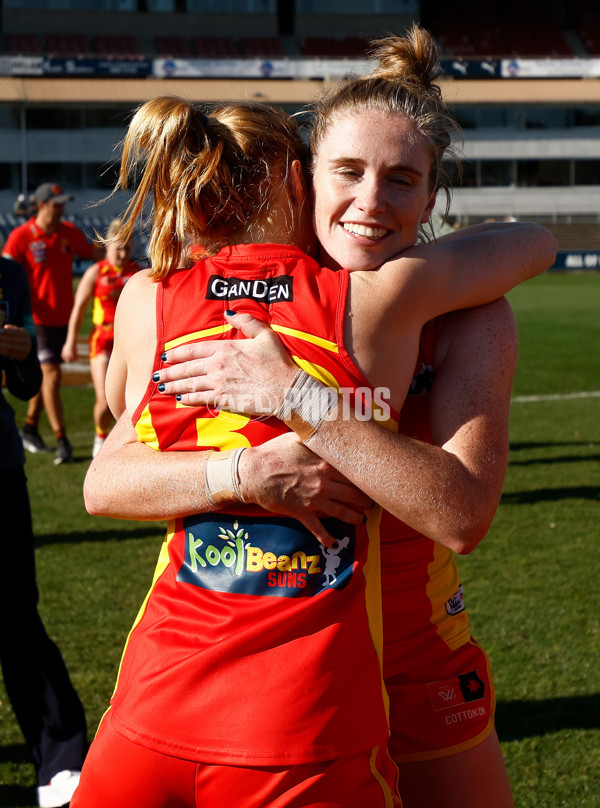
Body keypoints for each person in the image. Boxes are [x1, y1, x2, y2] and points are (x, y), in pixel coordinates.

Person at [86, 27, 557, 808]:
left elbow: (462, 513)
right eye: (348, 172)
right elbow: (111, 474)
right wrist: (243, 471)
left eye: (403, 180)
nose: (371, 202)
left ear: (433, 195)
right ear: (305, 180)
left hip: (412, 650)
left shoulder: (465, 311)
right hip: (266, 651)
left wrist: (296, 398)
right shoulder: (232, 308)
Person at [0, 255, 88, 808]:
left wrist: (23, 354)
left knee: (13, 610)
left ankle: (59, 757)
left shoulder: (8, 274)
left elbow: (24, 385)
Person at [2, 182, 104, 465]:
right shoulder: (21, 237)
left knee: (45, 377)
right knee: (51, 376)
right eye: (57, 203)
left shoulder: (68, 232)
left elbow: (95, 254)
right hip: (36, 321)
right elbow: (6, 278)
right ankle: (63, 441)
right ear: (43, 205)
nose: (62, 208)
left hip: (66, 319)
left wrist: (111, 247)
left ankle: (30, 426)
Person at [61, 220, 140, 458]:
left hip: (130, 343)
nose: (123, 253)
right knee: (105, 400)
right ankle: (100, 435)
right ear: (107, 247)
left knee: (130, 400)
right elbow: (79, 308)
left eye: (127, 248)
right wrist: (70, 341)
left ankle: (127, 444)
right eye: (118, 248)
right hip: (103, 340)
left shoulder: (137, 272)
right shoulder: (96, 272)